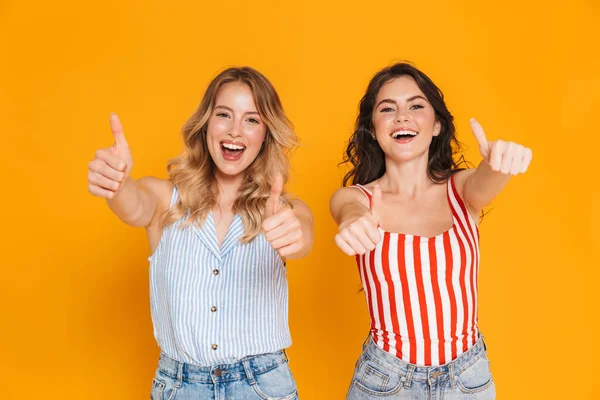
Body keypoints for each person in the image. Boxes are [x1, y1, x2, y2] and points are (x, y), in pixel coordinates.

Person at [88, 66, 313, 400]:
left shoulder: (283, 210)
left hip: (262, 386)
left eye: (252, 119)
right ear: (206, 123)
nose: (236, 130)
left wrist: (293, 236)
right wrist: (116, 184)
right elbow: (133, 205)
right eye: (224, 115)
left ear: (266, 133)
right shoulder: (165, 199)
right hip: (180, 386)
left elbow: (302, 238)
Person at [330, 62, 532, 399]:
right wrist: (354, 222)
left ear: (436, 124)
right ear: (372, 128)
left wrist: (500, 163)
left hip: (467, 379)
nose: (402, 117)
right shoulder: (356, 198)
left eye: (416, 106)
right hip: (385, 381)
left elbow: (485, 181)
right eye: (387, 109)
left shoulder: (461, 189)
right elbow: (348, 211)